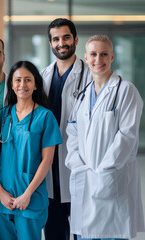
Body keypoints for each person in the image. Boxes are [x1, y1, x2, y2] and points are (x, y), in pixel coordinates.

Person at [65, 35, 145, 240]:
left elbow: (126, 136)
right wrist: (76, 162)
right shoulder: (82, 95)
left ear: (112, 57)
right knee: (86, 234)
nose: (98, 59)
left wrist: (104, 171)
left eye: (103, 54)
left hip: (112, 179)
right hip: (85, 176)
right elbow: (72, 130)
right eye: (93, 54)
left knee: (112, 234)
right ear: (86, 57)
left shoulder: (125, 90)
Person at [0, 61, 62, 240]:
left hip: (29, 199)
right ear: (12, 85)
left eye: (28, 80)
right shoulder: (2, 115)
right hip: (3, 199)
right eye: (18, 80)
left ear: (36, 84)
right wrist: (0, 191)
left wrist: (27, 194)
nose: (22, 84)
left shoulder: (45, 116)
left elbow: (47, 161)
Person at [41, 18, 91, 240]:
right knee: (54, 233)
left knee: (85, 231)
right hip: (49, 168)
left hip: (80, 165)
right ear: (50, 44)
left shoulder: (90, 76)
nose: (61, 43)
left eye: (66, 37)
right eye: (56, 39)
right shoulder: (42, 77)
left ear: (76, 40)